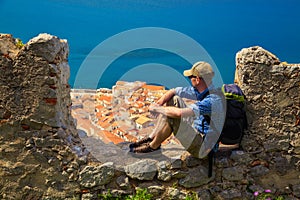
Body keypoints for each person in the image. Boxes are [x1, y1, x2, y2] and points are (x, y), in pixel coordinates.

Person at [129, 61, 224, 158]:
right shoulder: (201, 90)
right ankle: (151, 138)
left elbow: (179, 113)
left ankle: (153, 147)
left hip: (204, 148)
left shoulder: (213, 100)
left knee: (172, 116)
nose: (189, 79)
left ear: (198, 79)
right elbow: (173, 91)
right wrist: (159, 103)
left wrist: (158, 109)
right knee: (174, 99)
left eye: (190, 77)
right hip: (198, 132)